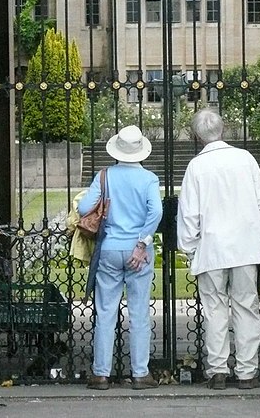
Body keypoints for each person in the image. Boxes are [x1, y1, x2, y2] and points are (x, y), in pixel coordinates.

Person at [177, 109, 260, 390]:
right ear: (225, 129)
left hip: (212, 247)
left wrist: (189, 247)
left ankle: (218, 370)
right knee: (247, 307)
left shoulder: (196, 166)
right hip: (245, 246)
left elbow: (188, 213)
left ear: (196, 135)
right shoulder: (246, 159)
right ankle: (247, 372)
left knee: (215, 310)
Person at [78, 125, 163, 390]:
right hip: (139, 250)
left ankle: (101, 373)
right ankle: (140, 373)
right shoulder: (148, 179)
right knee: (139, 313)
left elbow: (83, 208)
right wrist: (142, 242)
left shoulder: (105, 176)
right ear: (141, 152)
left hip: (110, 247)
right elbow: (156, 213)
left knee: (105, 312)